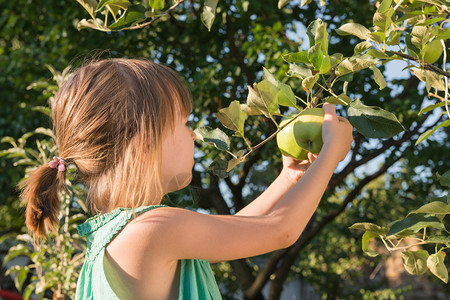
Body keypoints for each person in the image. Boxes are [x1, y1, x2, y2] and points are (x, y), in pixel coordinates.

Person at [20, 58, 353, 300]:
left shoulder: (123, 235)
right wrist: (329, 157)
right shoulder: (153, 230)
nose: (193, 135)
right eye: (183, 123)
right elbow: (280, 231)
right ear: (145, 142)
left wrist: (288, 177)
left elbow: (239, 227)